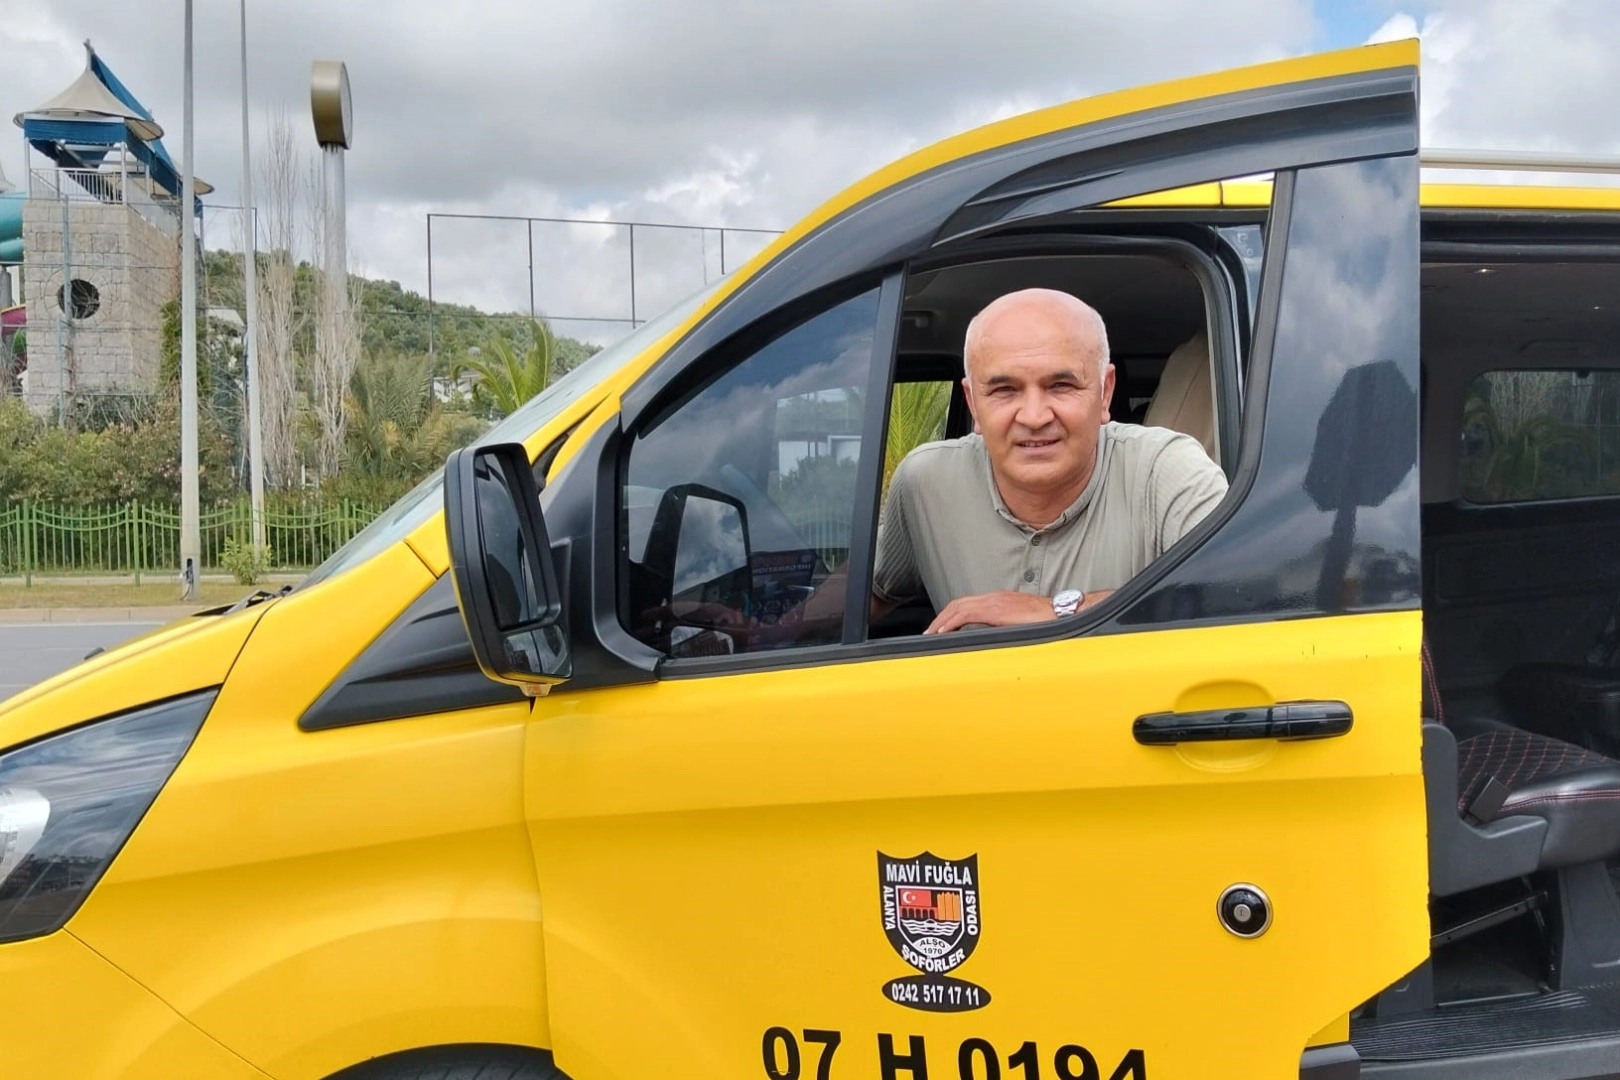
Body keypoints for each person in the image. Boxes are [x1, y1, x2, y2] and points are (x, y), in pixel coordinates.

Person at [872, 287, 1228, 634]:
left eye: (1061, 386)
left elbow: (1236, 597)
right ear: (972, 403)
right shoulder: (924, 484)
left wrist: (1058, 610)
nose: (1034, 416)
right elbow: (872, 594)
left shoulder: (1168, 473)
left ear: (1105, 393)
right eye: (1004, 390)